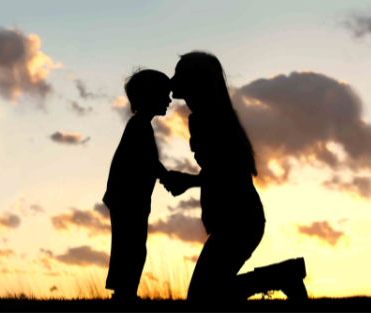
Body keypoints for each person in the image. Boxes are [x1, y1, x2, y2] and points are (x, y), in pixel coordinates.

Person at [162, 51, 308, 302]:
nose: (174, 79)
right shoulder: (207, 116)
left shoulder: (210, 119)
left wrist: (189, 181)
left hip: (238, 220)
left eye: (179, 74)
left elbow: (227, 172)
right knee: (209, 294)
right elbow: (220, 170)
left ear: (195, 81)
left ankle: (282, 276)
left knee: (202, 297)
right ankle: (282, 275)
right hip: (235, 219)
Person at [102, 69, 171, 301]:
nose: (169, 99)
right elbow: (148, 161)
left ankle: (125, 291)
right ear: (150, 96)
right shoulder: (139, 125)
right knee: (131, 245)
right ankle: (124, 293)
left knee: (131, 244)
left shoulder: (141, 125)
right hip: (128, 198)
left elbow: (148, 162)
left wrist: (163, 174)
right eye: (165, 94)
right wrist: (167, 175)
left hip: (131, 197)